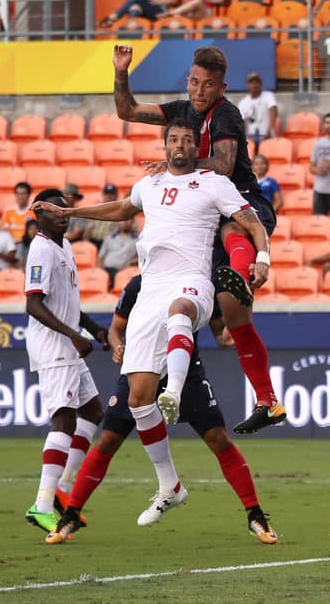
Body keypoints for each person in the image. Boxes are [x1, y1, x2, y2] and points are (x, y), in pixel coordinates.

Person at [112, 44, 283, 435]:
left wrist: (177, 164)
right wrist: (121, 72)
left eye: (207, 84)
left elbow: (223, 165)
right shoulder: (180, 112)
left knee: (231, 231)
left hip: (242, 205)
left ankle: (240, 278)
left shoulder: (225, 114)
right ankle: (268, 401)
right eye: (193, 82)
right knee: (236, 322)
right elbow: (127, 111)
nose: (199, 90)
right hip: (206, 219)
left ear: (221, 87)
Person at [46, 274, 278, 545]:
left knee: (219, 438)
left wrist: (240, 316)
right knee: (108, 440)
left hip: (185, 370)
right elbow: (115, 329)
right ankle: (71, 514)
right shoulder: (138, 284)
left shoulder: (199, 283)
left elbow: (222, 336)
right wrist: (119, 347)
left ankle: (255, 515)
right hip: (140, 368)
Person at [20, 189, 109, 535]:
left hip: (68, 346)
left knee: (93, 412)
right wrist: (73, 335)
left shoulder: (65, 245)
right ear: (39, 215)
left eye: (65, 209)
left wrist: (93, 329)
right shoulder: (41, 249)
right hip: (54, 347)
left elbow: (68, 302)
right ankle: (42, 504)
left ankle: (62, 487)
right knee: (63, 419)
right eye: (54, 210)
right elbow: (33, 304)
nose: (63, 215)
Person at [238, 72, 278, 149]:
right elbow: (242, 122)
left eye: (257, 82)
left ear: (261, 84)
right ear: (247, 85)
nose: (254, 85)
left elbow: (273, 113)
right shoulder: (243, 102)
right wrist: (245, 137)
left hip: (266, 135)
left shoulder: (268, 96)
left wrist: (269, 131)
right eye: (252, 82)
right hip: (250, 137)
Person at [97, 219, 139, 288]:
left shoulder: (138, 240)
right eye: (122, 219)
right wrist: (100, 272)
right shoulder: (109, 238)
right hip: (105, 270)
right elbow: (101, 256)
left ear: (132, 222)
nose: (125, 222)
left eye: (128, 219)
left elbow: (142, 258)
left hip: (123, 271)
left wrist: (131, 263)